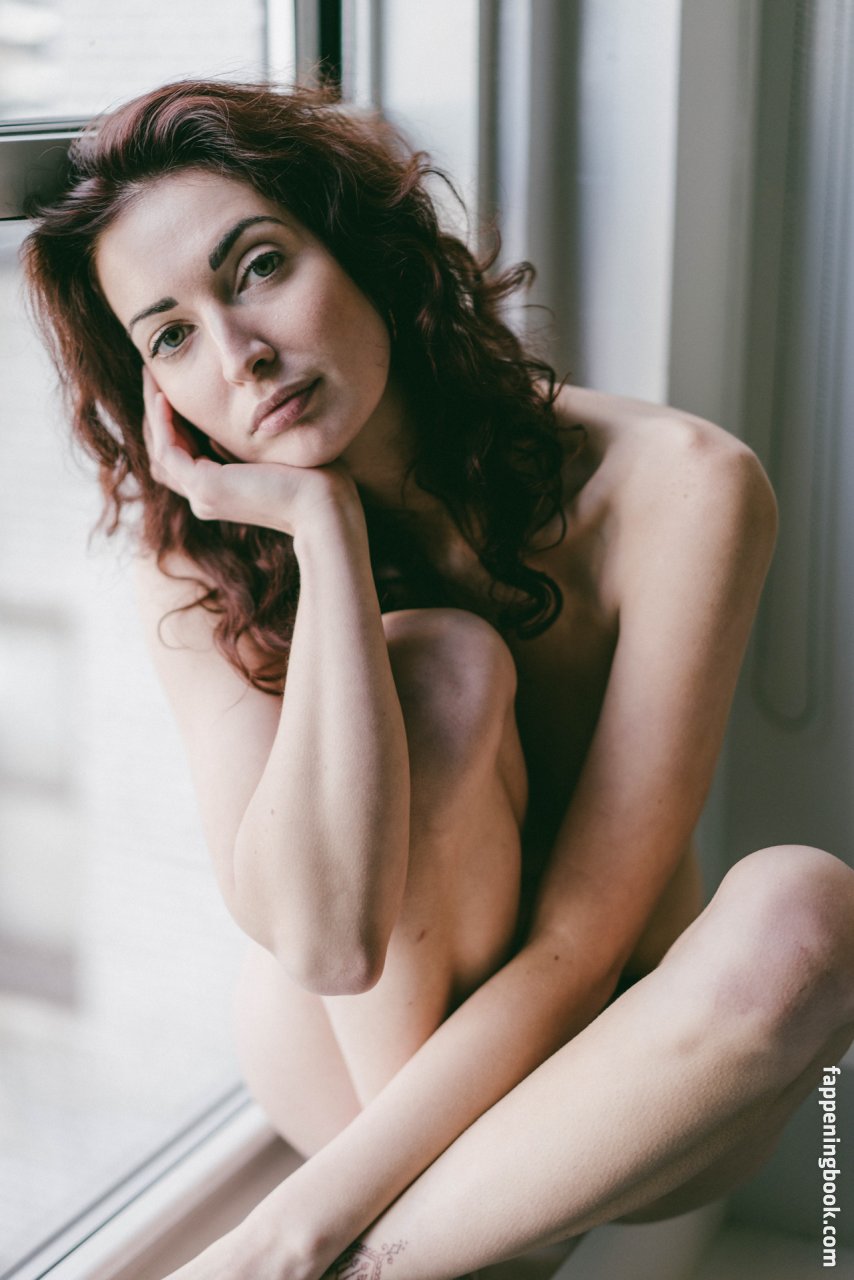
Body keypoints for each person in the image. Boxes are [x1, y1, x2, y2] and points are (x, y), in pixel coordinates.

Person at [23, 79, 854, 1280]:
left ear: (362, 250)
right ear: (156, 395)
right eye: (171, 337)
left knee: (807, 909)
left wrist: (289, 1232)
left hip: (608, 1055)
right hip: (337, 1053)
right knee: (437, 665)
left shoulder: (682, 487)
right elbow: (326, 945)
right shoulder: (194, 569)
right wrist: (325, 537)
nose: (241, 354)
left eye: (258, 267)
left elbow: (581, 939)